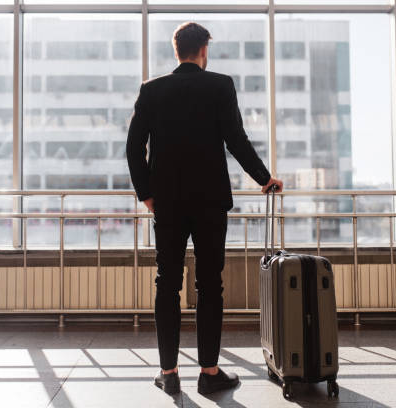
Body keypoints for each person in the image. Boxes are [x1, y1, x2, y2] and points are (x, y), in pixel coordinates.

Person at [126, 21, 283, 396]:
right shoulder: (219, 85)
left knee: (167, 283)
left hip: (167, 202)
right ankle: (209, 372)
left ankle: (169, 372)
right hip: (211, 202)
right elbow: (236, 140)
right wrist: (264, 177)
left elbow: (134, 147)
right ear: (203, 50)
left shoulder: (152, 90)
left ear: (177, 50)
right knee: (210, 285)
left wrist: (146, 194)